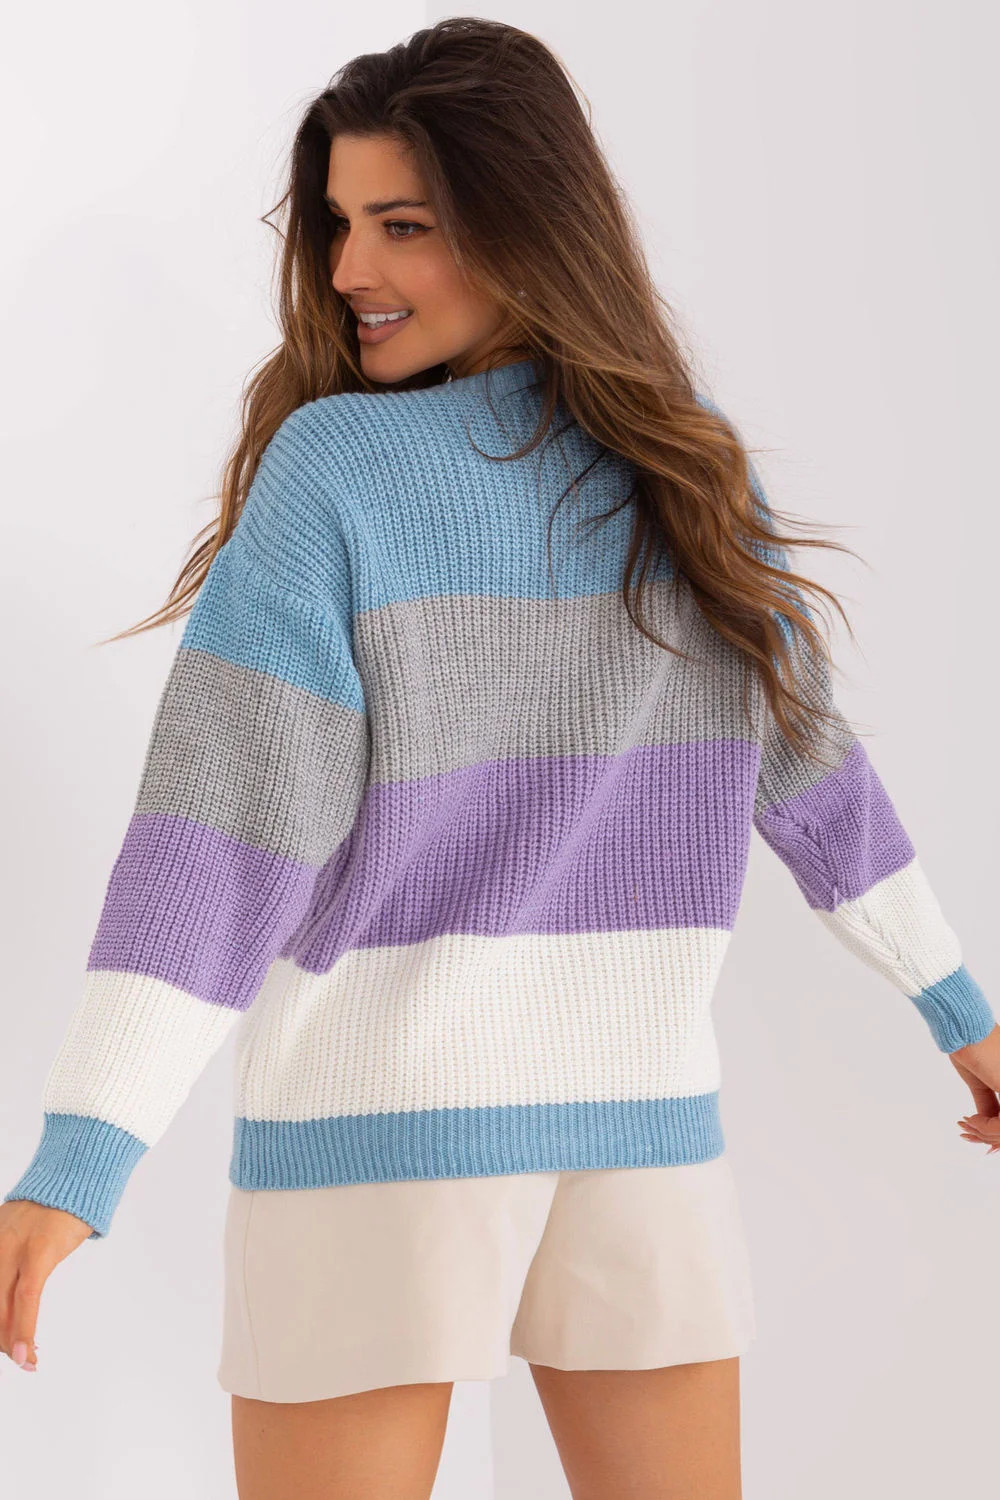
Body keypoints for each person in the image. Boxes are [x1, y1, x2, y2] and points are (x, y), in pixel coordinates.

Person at [2, 16, 997, 1500]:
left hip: (380, 1138)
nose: (351, 269)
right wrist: (960, 1014)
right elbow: (814, 771)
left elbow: (223, 841)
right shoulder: (685, 465)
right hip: (640, 1134)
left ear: (528, 223)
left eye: (404, 225)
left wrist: (80, 1156)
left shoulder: (341, 468)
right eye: (341, 223)